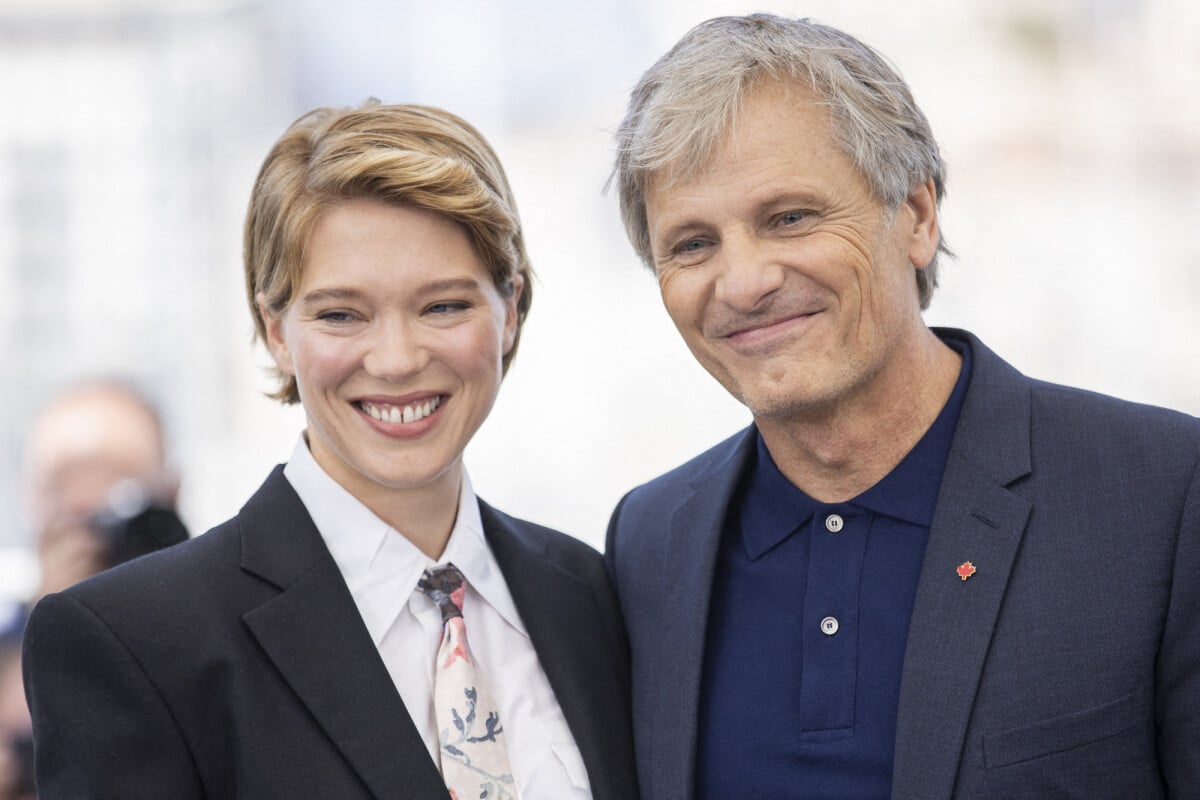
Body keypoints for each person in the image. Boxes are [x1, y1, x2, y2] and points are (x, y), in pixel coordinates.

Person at [605, 13, 1199, 800]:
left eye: (790, 217)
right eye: (691, 244)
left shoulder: (1161, 493)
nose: (742, 282)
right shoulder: (648, 544)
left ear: (917, 216)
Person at [23, 102, 638, 800]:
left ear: (510, 311)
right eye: (341, 314)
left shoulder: (591, 595)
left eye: (443, 306)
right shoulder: (135, 640)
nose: (398, 359)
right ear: (277, 331)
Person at [0, 379, 187, 800]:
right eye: (68, 487)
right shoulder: (9, 645)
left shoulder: (219, 619)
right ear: (33, 498)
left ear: (170, 492)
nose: (100, 517)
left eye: (123, 491)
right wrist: (49, 621)